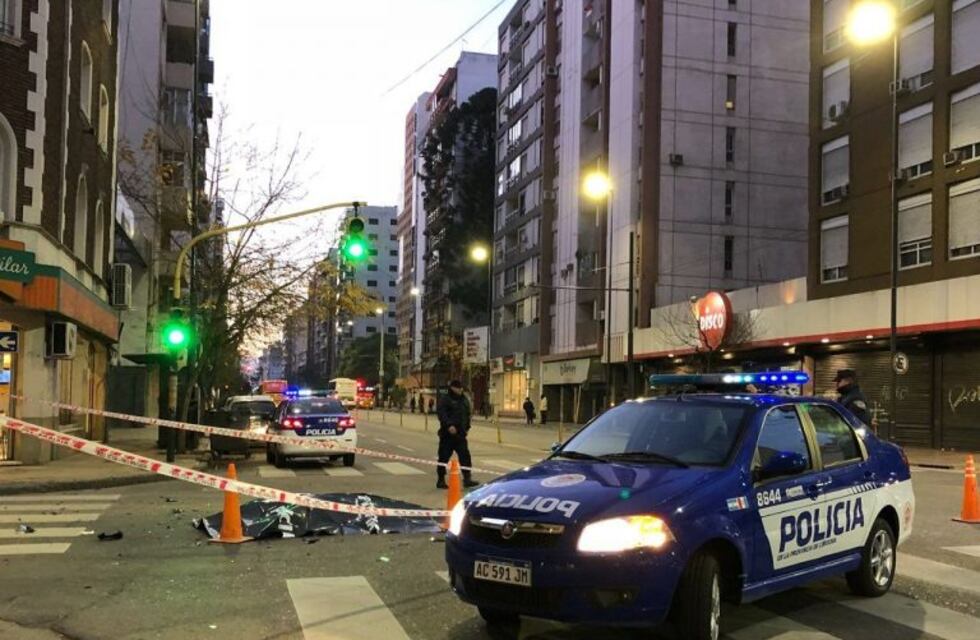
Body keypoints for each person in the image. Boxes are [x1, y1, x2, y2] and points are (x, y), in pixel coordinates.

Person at [436, 381, 479, 489]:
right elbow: (442, 414)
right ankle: (441, 479)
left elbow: (467, 414)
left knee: (465, 456)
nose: (460, 390)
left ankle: (467, 478)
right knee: (443, 457)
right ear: (452, 388)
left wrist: (467, 427)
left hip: (460, 434)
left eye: (461, 388)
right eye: (458, 388)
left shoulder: (464, 399)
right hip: (448, 434)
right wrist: (449, 425)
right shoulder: (446, 399)